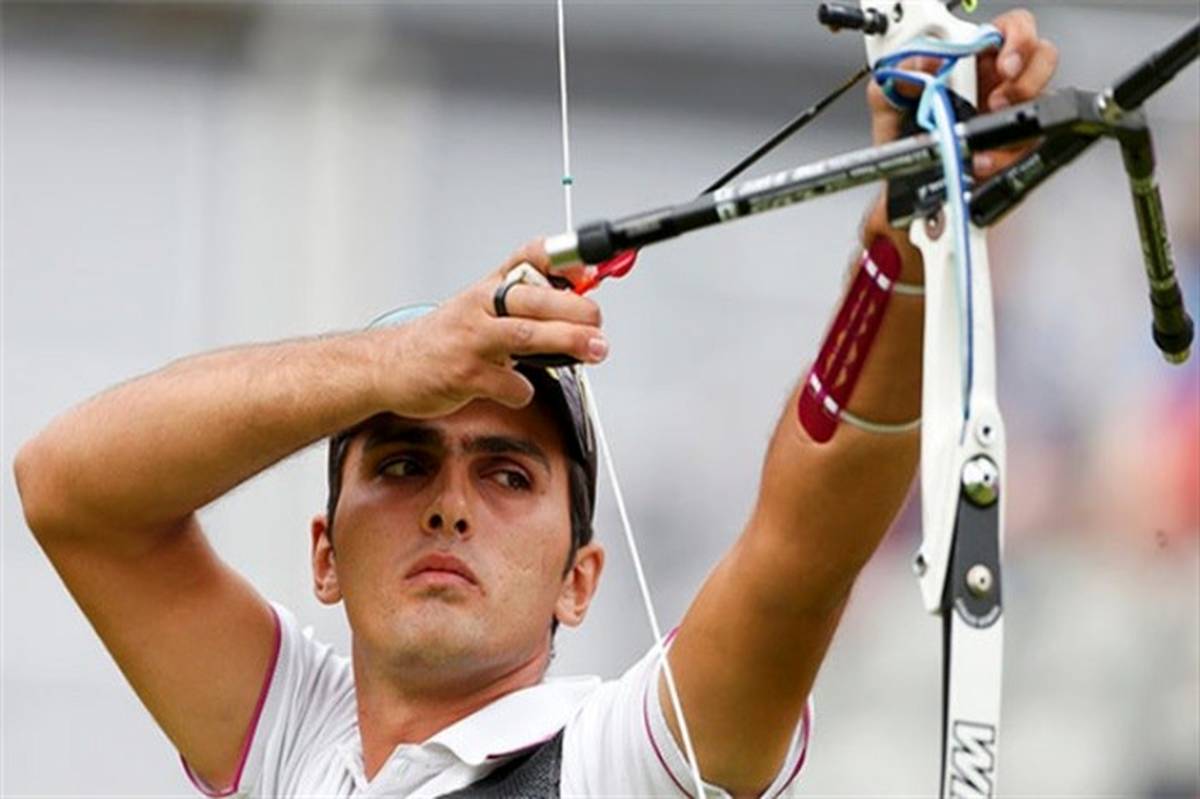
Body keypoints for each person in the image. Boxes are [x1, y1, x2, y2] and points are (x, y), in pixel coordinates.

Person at [13, 10, 1057, 797]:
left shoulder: (618, 762)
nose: (449, 505)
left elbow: (807, 540)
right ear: (323, 555)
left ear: (579, 578)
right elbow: (70, 490)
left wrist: (913, 226)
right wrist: (393, 363)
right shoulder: (298, 744)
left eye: (509, 474)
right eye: (402, 462)